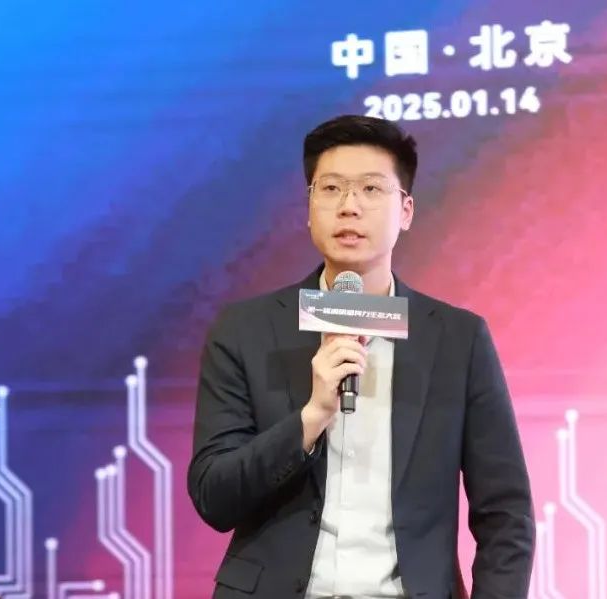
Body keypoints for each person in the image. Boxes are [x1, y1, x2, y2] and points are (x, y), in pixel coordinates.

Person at [187, 115, 535, 598]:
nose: (349, 206)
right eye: (331, 189)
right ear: (309, 207)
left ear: (406, 210)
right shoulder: (246, 330)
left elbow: (505, 513)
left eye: (371, 189)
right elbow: (213, 496)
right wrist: (311, 418)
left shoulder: (457, 339)